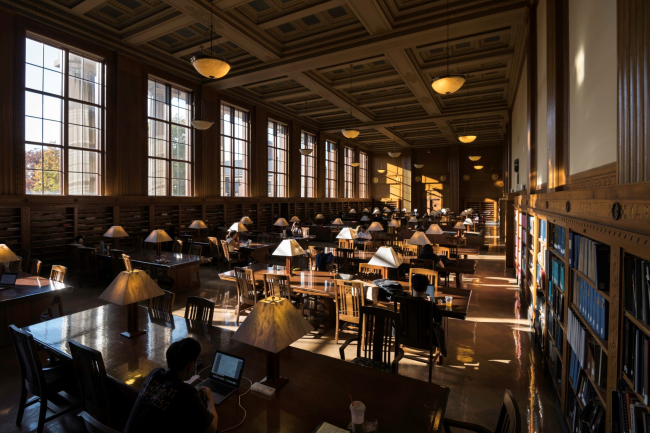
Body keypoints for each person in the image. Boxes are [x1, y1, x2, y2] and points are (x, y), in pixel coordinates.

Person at [124, 338, 218, 433]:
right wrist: (210, 400)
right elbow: (212, 429)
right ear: (190, 365)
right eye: (196, 361)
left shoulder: (155, 373)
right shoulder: (187, 392)